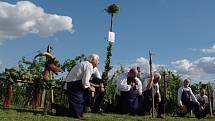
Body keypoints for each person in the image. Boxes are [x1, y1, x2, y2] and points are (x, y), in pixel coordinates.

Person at [46, 54, 99, 118]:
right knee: (77, 114)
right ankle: (52, 106)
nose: (98, 62)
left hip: (72, 86)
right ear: (92, 60)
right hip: (73, 87)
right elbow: (85, 82)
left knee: (79, 111)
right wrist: (91, 88)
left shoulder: (84, 63)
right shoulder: (89, 65)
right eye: (97, 60)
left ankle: (56, 108)